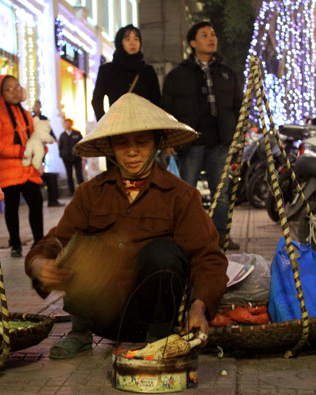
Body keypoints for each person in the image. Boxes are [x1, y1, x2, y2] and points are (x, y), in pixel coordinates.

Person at [25, 93, 228, 359]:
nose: (132, 151)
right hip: (102, 315)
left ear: (156, 143)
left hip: (155, 318)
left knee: (163, 253)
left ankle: (158, 341)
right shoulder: (90, 192)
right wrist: (41, 264)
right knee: (87, 245)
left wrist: (200, 306)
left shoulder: (182, 195)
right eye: (122, 143)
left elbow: (208, 258)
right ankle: (80, 332)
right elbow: (55, 241)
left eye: (142, 142)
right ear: (110, 147)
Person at [162, 21, 242, 250]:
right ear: (193, 43)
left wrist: (236, 135)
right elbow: (166, 109)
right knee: (185, 193)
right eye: (205, 35)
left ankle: (220, 237)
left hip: (220, 143)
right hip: (190, 144)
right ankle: (185, 237)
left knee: (222, 193)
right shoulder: (178, 75)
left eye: (213, 34)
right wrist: (168, 139)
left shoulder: (227, 74)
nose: (211, 38)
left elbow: (238, 107)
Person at [0, 75, 44, 258]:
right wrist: (18, 151)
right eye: (9, 89)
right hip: (8, 171)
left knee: (36, 203)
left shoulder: (26, 114)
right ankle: (15, 243)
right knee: (12, 206)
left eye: (17, 87)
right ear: (0, 93)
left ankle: (39, 241)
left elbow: (35, 137)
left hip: (28, 169)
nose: (15, 91)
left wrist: (40, 149)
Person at [91, 24, 161, 122]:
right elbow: (97, 100)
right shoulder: (107, 70)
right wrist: (105, 123)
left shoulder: (147, 71)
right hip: (118, 125)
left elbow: (157, 102)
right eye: (128, 39)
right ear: (120, 43)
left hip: (144, 124)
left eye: (136, 39)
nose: (133, 43)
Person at [32, 100, 63, 207]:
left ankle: (52, 200)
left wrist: (54, 138)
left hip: (40, 148)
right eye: (35, 105)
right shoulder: (29, 118)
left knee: (43, 166)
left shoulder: (44, 118)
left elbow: (49, 130)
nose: (37, 107)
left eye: (38, 106)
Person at [58, 118, 84, 196]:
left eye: (69, 123)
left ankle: (82, 190)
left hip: (76, 157)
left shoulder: (77, 133)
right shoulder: (62, 135)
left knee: (79, 174)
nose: (67, 125)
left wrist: (80, 153)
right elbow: (60, 146)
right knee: (69, 175)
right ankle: (71, 192)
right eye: (66, 123)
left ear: (71, 124)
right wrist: (63, 155)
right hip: (67, 158)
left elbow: (81, 143)